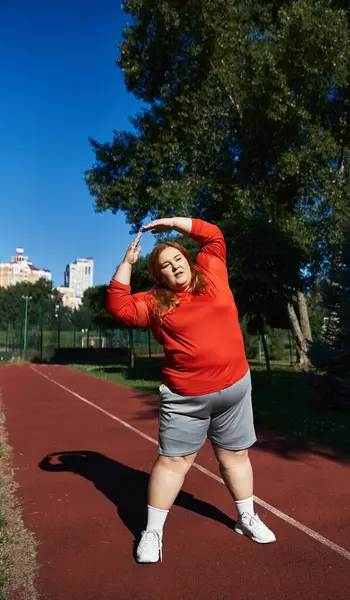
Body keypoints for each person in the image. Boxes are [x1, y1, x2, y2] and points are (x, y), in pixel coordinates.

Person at [107, 217, 276, 563]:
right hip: (186, 398)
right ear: (160, 277)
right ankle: (152, 532)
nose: (174, 267)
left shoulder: (212, 272)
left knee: (235, 456)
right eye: (166, 267)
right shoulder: (155, 302)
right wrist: (127, 262)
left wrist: (170, 222)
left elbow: (212, 234)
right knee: (174, 463)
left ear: (187, 258)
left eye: (177, 259)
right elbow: (119, 307)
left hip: (235, 389)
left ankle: (246, 518)